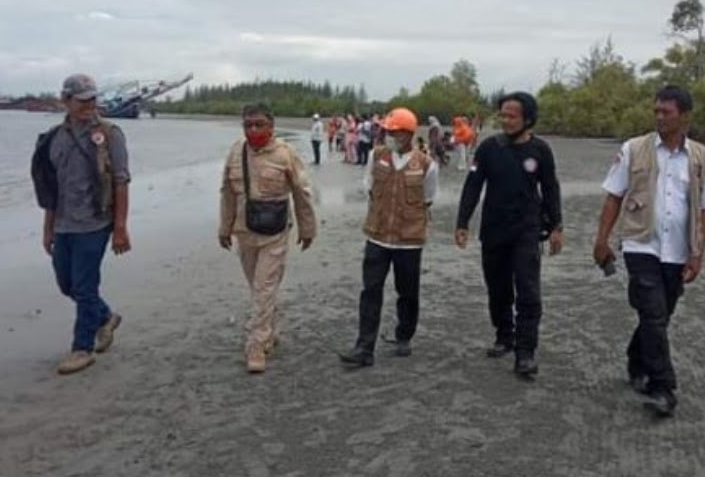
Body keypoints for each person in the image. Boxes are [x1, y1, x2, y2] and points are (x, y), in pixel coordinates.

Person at [592, 85, 705, 417]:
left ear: (684, 115)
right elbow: (613, 196)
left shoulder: (703, 158)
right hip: (640, 243)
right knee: (652, 312)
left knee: (661, 315)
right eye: (656, 111)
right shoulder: (633, 149)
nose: (660, 117)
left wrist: (698, 253)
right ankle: (664, 386)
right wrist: (601, 239)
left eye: (667, 112)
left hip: (678, 250)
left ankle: (637, 359)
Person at [455, 91, 562, 378]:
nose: (506, 120)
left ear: (528, 118)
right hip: (493, 230)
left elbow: (550, 188)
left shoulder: (540, 150)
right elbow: (473, 185)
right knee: (498, 289)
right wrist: (462, 222)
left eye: (512, 116)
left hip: (527, 230)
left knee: (529, 292)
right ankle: (504, 335)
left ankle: (525, 352)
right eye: (502, 115)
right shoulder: (489, 148)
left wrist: (557, 226)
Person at [31, 73, 131, 375]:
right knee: (67, 284)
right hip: (63, 224)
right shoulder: (53, 138)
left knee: (85, 286)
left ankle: (82, 348)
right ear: (66, 100)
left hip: (95, 223)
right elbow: (51, 189)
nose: (89, 105)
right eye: (82, 100)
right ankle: (105, 317)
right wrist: (47, 228)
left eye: (92, 99)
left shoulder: (110, 134)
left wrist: (120, 227)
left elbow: (121, 181)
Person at [219, 102, 317, 373]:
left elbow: (302, 192)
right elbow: (227, 192)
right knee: (258, 288)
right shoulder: (236, 152)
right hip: (244, 232)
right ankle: (269, 329)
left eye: (259, 124)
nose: (253, 130)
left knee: (264, 287)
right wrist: (224, 228)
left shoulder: (285, 154)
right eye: (248, 125)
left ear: (271, 126)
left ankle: (256, 344)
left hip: (275, 234)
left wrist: (308, 229)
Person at [339, 108, 438, 367]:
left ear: (409, 133)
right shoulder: (376, 156)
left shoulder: (427, 164)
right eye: (388, 131)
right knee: (370, 291)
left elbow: (428, 198)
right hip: (377, 237)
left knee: (408, 292)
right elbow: (369, 188)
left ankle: (404, 336)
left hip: (409, 241)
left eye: (396, 132)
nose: (391, 136)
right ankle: (364, 347)